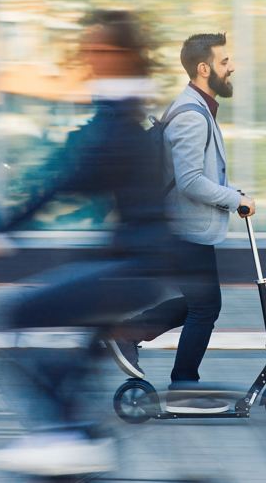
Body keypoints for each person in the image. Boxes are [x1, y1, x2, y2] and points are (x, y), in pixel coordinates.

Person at [0, 10, 174, 476]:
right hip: (136, 265)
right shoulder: (123, 116)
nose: (88, 60)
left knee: (12, 313)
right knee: (57, 341)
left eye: (97, 51)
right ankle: (76, 434)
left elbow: (54, 184)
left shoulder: (118, 122)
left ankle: (65, 433)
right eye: (86, 51)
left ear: (122, 57)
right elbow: (60, 183)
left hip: (137, 270)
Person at [106, 33, 256, 414]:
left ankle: (132, 335)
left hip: (185, 227)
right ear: (204, 68)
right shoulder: (192, 114)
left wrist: (232, 193)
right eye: (225, 62)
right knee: (205, 307)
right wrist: (233, 199)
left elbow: (195, 172)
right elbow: (190, 181)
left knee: (201, 304)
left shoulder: (197, 107)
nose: (232, 66)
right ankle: (182, 382)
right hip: (186, 229)